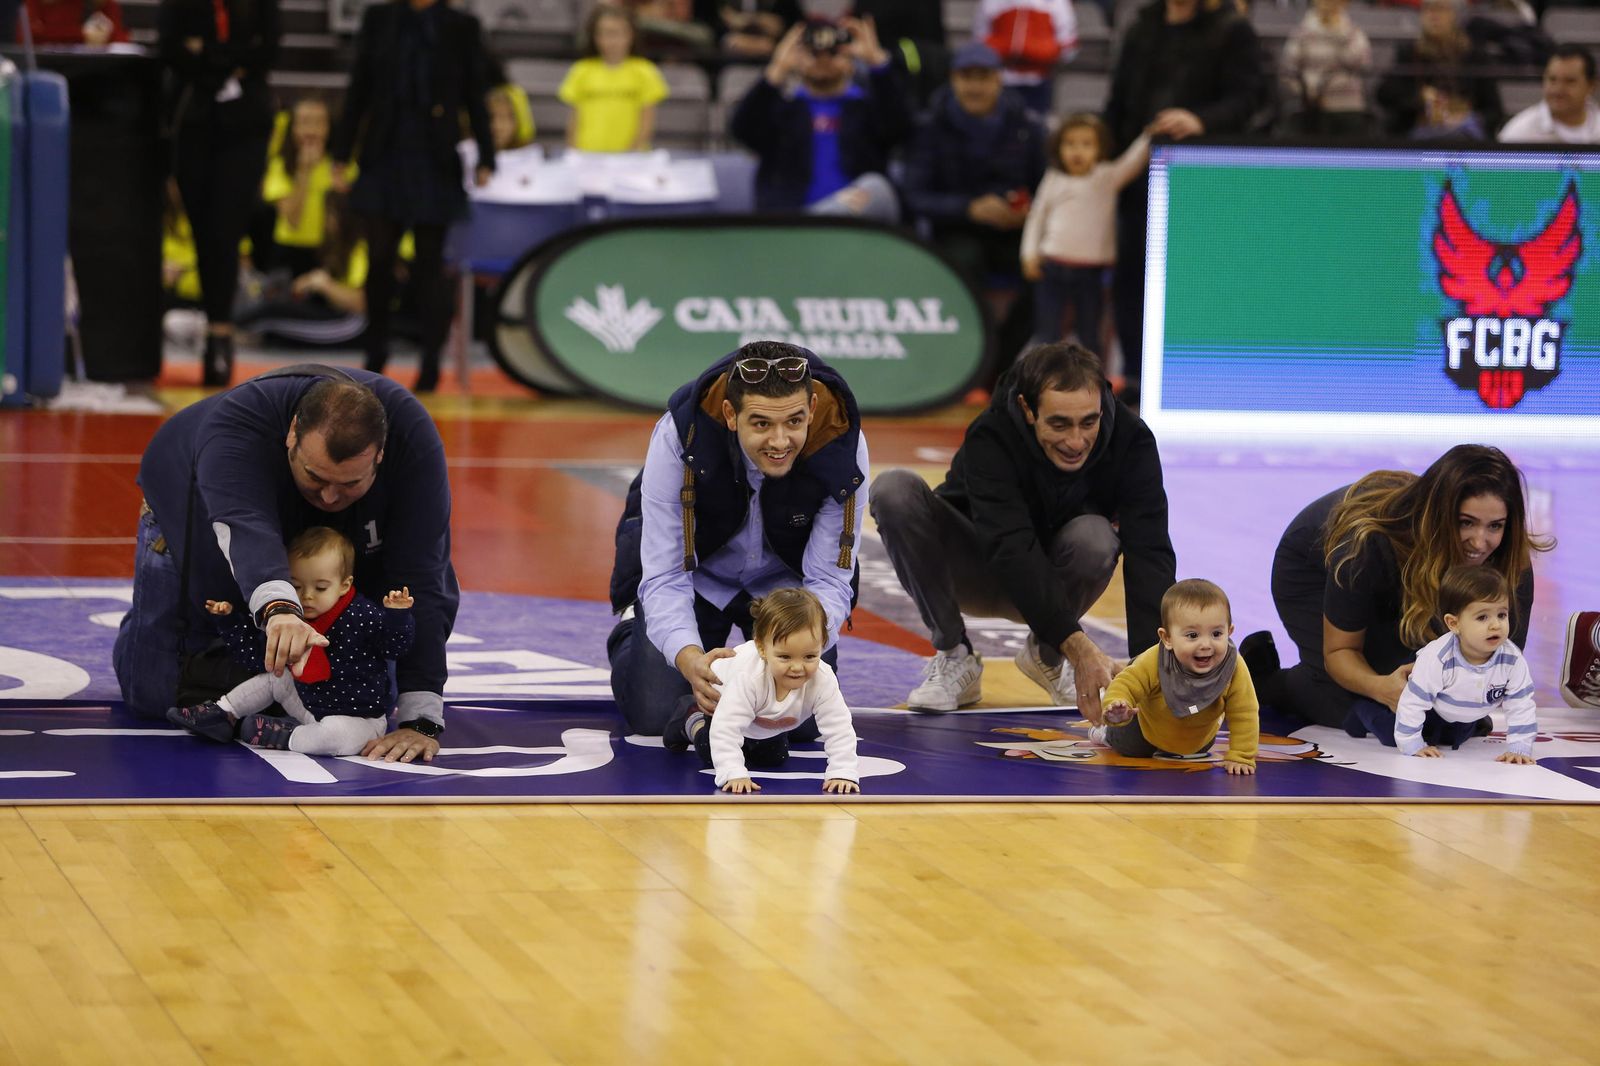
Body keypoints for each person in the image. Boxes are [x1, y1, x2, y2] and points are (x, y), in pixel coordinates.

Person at [112, 366, 458, 764]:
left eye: (349, 483)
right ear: (292, 433)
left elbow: (421, 580)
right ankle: (153, 626)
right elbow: (244, 527)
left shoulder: (414, 442)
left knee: (368, 696)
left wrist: (422, 721)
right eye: (316, 477)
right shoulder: (236, 428)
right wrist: (279, 610)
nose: (329, 497)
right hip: (197, 494)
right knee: (158, 693)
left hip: (335, 529)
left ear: (381, 454)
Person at [870, 342, 1175, 719]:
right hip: (978, 567)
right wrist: (1077, 643)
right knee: (893, 489)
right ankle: (954, 654)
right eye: (1059, 424)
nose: (1076, 441)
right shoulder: (992, 435)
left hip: (1057, 578)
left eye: (1088, 422)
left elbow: (1151, 551)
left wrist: (1150, 670)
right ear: (1028, 410)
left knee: (1096, 537)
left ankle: (1047, 654)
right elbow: (1009, 545)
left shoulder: (1132, 440)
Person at [606, 342, 869, 737]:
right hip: (697, 576)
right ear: (731, 414)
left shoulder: (842, 443)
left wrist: (798, 643)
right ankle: (634, 624)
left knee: (800, 725)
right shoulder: (680, 435)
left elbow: (831, 579)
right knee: (654, 716)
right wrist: (688, 656)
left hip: (785, 589)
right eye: (762, 424)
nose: (780, 442)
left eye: (794, 422)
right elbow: (664, 572)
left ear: (812, 409)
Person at [1243, 445, 1551, 733]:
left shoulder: (1509, 558)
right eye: (1465, 523)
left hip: (1404, 564)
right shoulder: (1367, 544)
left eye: (1495, 526)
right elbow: (1341, 651)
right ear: (1439, 514)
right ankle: (1267, 682)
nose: (1480, 542)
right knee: (1370, 708)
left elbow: (1501, 656)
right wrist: (1380, 687)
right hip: (1312, 565)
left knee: (1434, 714)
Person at [330, 0, 496, 394]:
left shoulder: (461, 26)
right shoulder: (379, 19)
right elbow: (359, 88)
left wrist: (486, 155)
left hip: (435, 156)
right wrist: (341, 152)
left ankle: (429, 362)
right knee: (380, 259)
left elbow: (475, 92)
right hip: (385, 151)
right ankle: (374, 355)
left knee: (429, 266)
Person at [1103, 0, 1262, 401]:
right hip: (1137, 172)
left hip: (1201, 176)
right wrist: (1108, 160)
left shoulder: (1231, 29)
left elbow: (1249, 100)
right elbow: (1118, 100)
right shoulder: (1142, 27)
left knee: (1197, 278)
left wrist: (1201, 121)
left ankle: (1195, 377)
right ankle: (1136, 376)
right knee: (1131, 276)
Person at [167, 527, 419, 756]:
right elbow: (256, 657)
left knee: (337, 736)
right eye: (296, 586)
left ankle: (287, 735)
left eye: (320, 588)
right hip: (308, 705)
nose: (307, 597)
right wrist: (230, 622)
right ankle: (223, 714)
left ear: (344, 585)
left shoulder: (363, 615)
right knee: (275, 678)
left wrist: (397, 617)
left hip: (359, 719)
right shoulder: (290, 617)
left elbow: (395, 648)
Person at [902, 41, 1046, 379]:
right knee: (962, 268)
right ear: (953, 80)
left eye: (983, 77)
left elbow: (1046, 188)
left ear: (998, 80)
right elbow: (914, 195)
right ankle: (966, 366)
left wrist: (1027, 213)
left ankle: (996, 368)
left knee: (1046, 276)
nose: (975, 86)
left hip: (1014, 232)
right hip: (955, 230)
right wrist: (969, 208)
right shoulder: (929, 127)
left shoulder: (1029, 127)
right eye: (967, 77)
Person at [158, 0, 282, 387]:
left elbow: (268, 51)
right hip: (193, 120)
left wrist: (206, 53)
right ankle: (213, 328)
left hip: (245, 127)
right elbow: (171, 49)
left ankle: (220, 335)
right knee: (201, 229)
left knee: (225, 230)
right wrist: (229, 60)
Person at [663, 587, 861, 794]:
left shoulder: (823, 678)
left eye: (810, 656)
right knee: (710, 752)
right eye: (785, 657)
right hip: (720, 701)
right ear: (762, 649)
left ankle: (753, 742)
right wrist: (733, 773)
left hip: (764, 720)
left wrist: (843, 771)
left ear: (822, 646)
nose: (797, 667)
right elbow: (726, 728)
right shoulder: (748, 677)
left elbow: (840, 727)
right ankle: (689, 716)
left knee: (774, 758)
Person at [1341, 565, 1537, 762]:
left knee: (1455, 737)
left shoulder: (1512, 659)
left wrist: (1520, 747)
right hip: (1431, 706)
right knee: (1390, 732)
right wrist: (1412, 744)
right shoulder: (1438, 657)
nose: (1496, 625)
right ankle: (1362, 712)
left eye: (1502, 615)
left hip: (1461, 709)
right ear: (1454, 624)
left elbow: (1521, 704)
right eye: (1482, 617)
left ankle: (1462, 725)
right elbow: (1413, 702)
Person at [728, 16, 913, 222]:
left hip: (859, 230)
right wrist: (778, 68)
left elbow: (901, 128)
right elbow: (741, 129)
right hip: (791, 231)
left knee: (876, 186)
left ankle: (822, 221)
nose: (823, 59)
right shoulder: (782, 111)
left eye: (833, 52)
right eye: (814, 52)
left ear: (850, 61)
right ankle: (814, 224)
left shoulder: (866, 109)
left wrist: (877, 61)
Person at [1093, 578, 1259, 774]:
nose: (1206, 644)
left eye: (1216, 634)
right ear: (1167, 638)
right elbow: (1126, 682)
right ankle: (1105, 731)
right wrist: (1117, 702)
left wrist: (1242, 756)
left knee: (1198, 749)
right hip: (1146, 729)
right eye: (1192, 636)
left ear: (1229, 632)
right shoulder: (1155, 659)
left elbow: (1245, 711)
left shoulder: (1234, 667)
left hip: (1197, 740)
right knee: (1131, 748)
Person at [1021, 114, 1149, 351]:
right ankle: (1043, 383)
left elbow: (1132, 162)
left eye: (1086, 144)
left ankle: (1091, 385)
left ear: (1100, 149)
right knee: (1047, 332)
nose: (1077, 151)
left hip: (1091, 272)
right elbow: (1036, 217)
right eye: (1070, 144)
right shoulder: (1053, 178)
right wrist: (1029, 253)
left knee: (1089, 334)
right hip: (1051, 267)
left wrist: (1148, 136)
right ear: (1058, 148)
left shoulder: (1106, 177)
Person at [1375, 0, 1503, 137]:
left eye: (1440, 9)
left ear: (1455, 15)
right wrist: (1420, 98)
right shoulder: (1410, 53)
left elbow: (1494, 110)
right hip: (1420, 132)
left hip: (1464, 134)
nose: (1433, 15)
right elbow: (1384, 94)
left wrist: (1468, 119)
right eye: (1428, 9)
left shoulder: (1475, 56)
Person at [559, 5, 670, 153]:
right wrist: (573, 151)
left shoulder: (645, 71)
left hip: (631, 158)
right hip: (588, 157)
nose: (611, 40)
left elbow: (647, 121)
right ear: (595, 37)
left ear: (631, 35)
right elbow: (574, 120)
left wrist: (632, 152)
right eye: (604, 33)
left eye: (617, 33)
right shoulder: (581, 70)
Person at [259, 95, 340, 279]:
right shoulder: (279, 166)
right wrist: (304, 172)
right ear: (292, 127)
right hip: (289, 252)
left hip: (329, 253)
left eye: (319, 122)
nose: (311, 130)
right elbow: (292, 220)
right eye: (304, 122)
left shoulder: (339, 167)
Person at [1279, 0, 1373, 137]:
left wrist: (1339, 35)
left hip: (1348, 106)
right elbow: (1287, 70)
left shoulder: (1352, 32)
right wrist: (1308, 92)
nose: (1328, 3)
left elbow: (1362, 63)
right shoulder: (1302, 32)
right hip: (1312, 107)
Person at [973, 0, 1078, 115]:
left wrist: (1043, 53)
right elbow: (980, 39)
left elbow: (1068, 44)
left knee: (1036, 126)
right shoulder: (991, 2)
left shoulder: (1057, 3)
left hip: (1039, 81)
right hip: (1000, 79)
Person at [1498, 44, 1600, 144]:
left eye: (1570, 81)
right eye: (1552, 80)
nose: (1558, 90)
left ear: (1591, 86)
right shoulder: (1518, 135)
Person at [693, 0, 802, 58]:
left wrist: (776, 43)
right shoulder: (717, 3)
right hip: (729, 60)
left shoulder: (784, 3)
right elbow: (709, 27)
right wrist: (728, 39)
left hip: (772, 60)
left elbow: (796, 27)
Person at [1409, 77, 1487, 140]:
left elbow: (1479, 139)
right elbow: (1415, 138)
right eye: (1430, 102)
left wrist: (1454, 123)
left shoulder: (1469, 119)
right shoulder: (1422, 130)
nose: (1432, 105)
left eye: (1440, 99)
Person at [20, 0, 127, 44]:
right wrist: (82, 35)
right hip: (49, 66)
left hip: (93, 69)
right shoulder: (37, 3)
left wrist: (107, 36)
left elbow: (120, 39)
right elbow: (27, 36)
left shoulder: (100, 4)